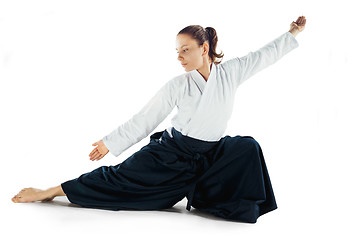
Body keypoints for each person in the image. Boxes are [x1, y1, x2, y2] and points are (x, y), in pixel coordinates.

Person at [12, 16, 306, 223]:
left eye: (186, 50)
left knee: (247, 147)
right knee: (118, 178)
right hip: (171, 154)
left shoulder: (231, 72)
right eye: (177, 52)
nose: (180, 57)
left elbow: (264, 55)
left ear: (204, 49)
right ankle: (51, 191)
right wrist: (109, 141)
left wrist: (291, 33)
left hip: (211, 156)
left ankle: (204, 194)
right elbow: (146, 118)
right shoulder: (178, 85)